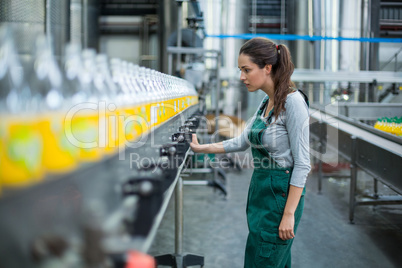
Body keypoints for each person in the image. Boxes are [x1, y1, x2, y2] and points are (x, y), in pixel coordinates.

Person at [190, 37, 310, 268]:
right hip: (261, 193)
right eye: (240, 70)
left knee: (266, 259)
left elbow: (303, 164)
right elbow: (243, 140)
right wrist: (202, 147)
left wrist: (288, 214)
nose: (241, 77)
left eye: (246, 70)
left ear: (267, 67)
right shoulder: (266, 102)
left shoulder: (293, 103)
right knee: (261, 256)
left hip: (280, 198)